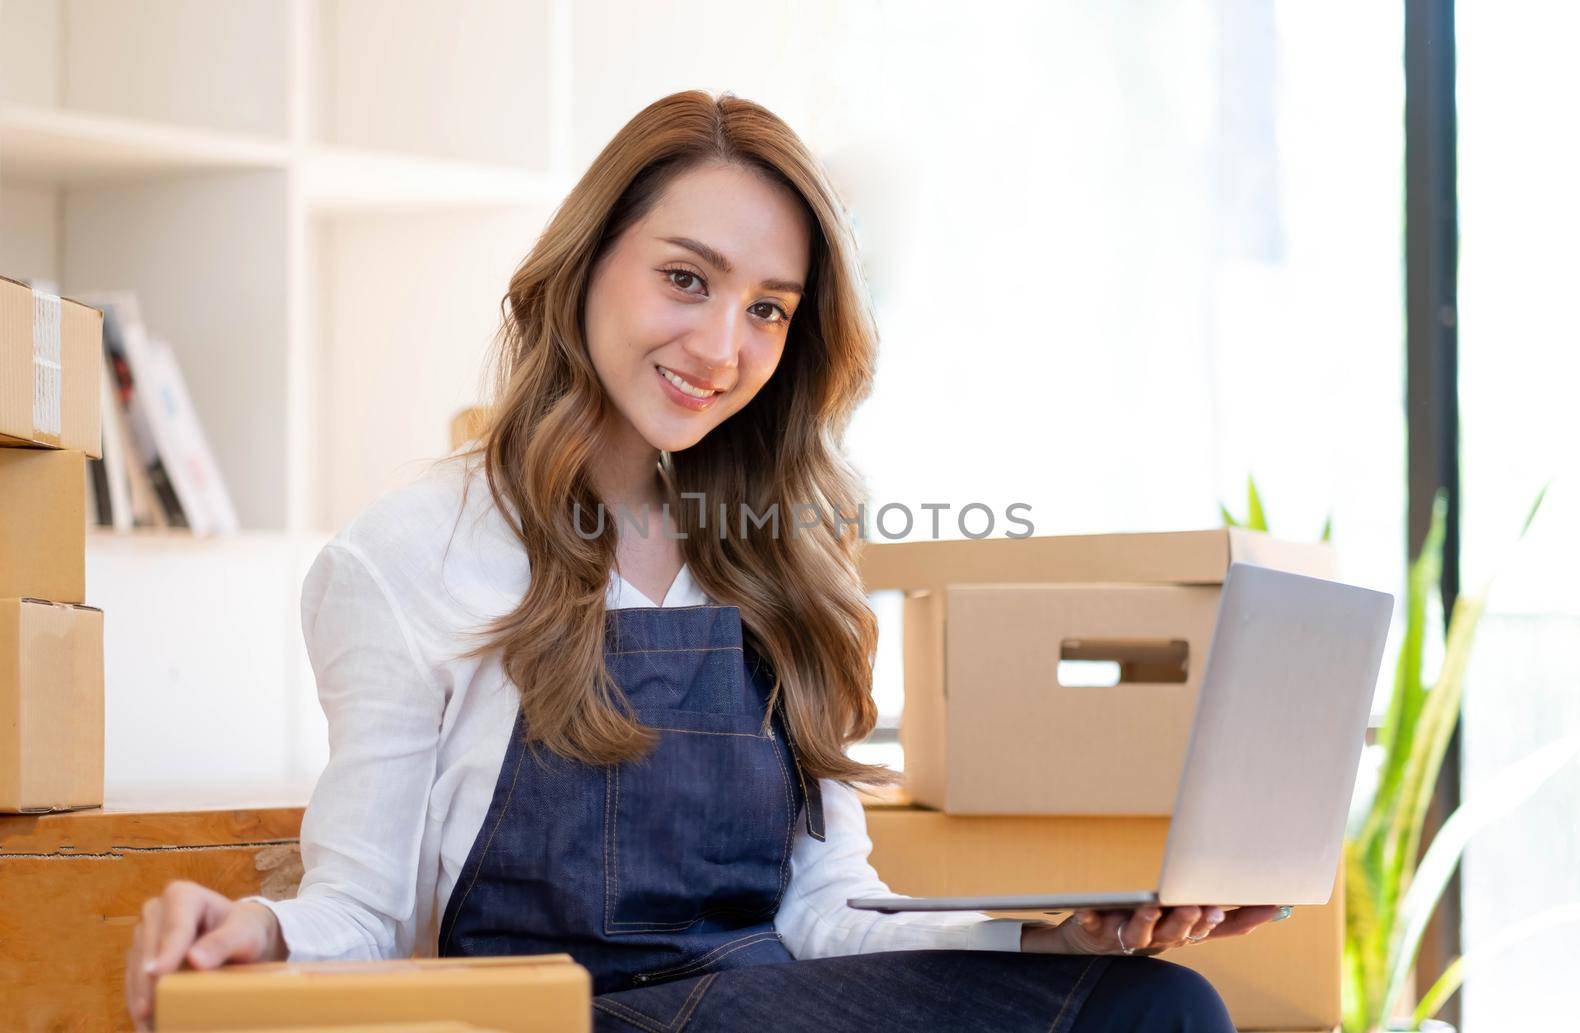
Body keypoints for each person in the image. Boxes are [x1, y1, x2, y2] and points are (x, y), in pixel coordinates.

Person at [124, 90, 1287, 1032]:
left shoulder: (785, 560)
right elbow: (364, 911)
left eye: (770, 309)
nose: (723, 347)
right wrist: (256, 931)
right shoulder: (403, 557)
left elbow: (828, 916)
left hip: (760, 1000)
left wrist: (1051, 933)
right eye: (686, 279)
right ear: (585, 266)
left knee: (1158, 1004)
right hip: (551, 1020)